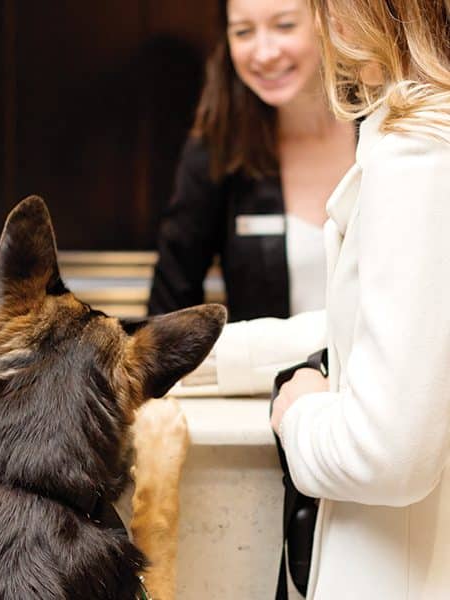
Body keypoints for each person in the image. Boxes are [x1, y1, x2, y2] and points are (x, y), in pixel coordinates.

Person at [188, 0, 450, 597]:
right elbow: (395, 330)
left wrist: (300, 412)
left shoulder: (420, 151)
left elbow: (389, 457)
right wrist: (203, 358)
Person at [148, 0, 356, 323]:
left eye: (284, 26)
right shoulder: (217, 152)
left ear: (328, 20)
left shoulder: (385, 128)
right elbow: (167, 311)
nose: (264, 53)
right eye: (243, 32)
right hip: (271, 374)